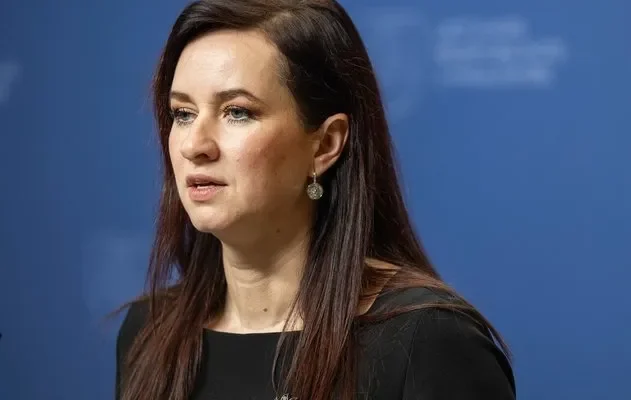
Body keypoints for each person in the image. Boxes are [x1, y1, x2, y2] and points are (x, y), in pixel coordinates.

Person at [114, 1, 516, 399]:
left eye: (237, 112)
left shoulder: (428, 340)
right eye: (183, 113)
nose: (195, 145)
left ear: (325, 145)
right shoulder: (150, 330)